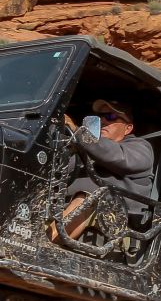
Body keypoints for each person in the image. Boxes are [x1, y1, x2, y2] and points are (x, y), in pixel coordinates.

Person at [54, 98, 154, 241]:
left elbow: (116, 156)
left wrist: (78, 132)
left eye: (110, 117)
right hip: (67, 208)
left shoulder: (140, 148)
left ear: (128, 128)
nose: (103, 121)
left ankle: (38, 246)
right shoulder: (87, 148)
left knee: (86, 198)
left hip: (112, 217)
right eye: (99, 117)